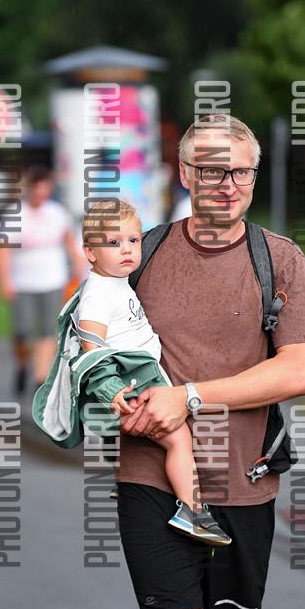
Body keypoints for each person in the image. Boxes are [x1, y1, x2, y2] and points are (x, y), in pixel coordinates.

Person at [117, 115, 305, 609]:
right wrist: (114, 396)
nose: (229, 185)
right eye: (212, 172)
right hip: (151, 473)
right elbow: (95, 349)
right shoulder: (143, 255)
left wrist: (187, 397)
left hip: (242, 475)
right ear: (185, 173)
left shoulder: (279, 259)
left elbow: (300, 370)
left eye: (241, 172)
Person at [79, 199, 231, 546]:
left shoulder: (116, 281)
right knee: (179, 439)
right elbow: (92, 348)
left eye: (133, 240)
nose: (127, 250)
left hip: (140, 375)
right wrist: (111, 389)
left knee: (156, 439)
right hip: (133, 382)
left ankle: (127, 485)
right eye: (113, 242)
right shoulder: (97, 294)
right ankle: (192, 511)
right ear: (90, 252)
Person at [0, 165, 85, 393]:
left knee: (47, 329)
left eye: (45, 188)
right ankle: (23, 364)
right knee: (22, 332)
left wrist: (78, 266)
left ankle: (40, 377)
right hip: (23, 282)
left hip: (52, 280)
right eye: (37, 188)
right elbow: (2, 251)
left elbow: (69, 242)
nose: (41, 193)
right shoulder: (15, 215)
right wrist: (5, 281)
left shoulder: (56, 213)